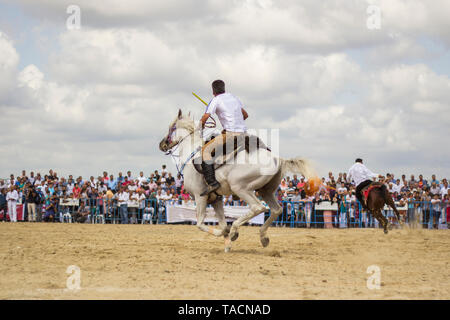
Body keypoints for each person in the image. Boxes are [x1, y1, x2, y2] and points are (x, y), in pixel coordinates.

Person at [199, 79, 249, 196]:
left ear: (213, 91)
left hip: (230, 134)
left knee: (205, 151)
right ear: (224, 88)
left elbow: (206, 117)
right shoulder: (234, 97)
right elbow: (245, 115)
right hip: (244, 133)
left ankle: (212, 183)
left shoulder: (215, 100)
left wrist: (199, 127)